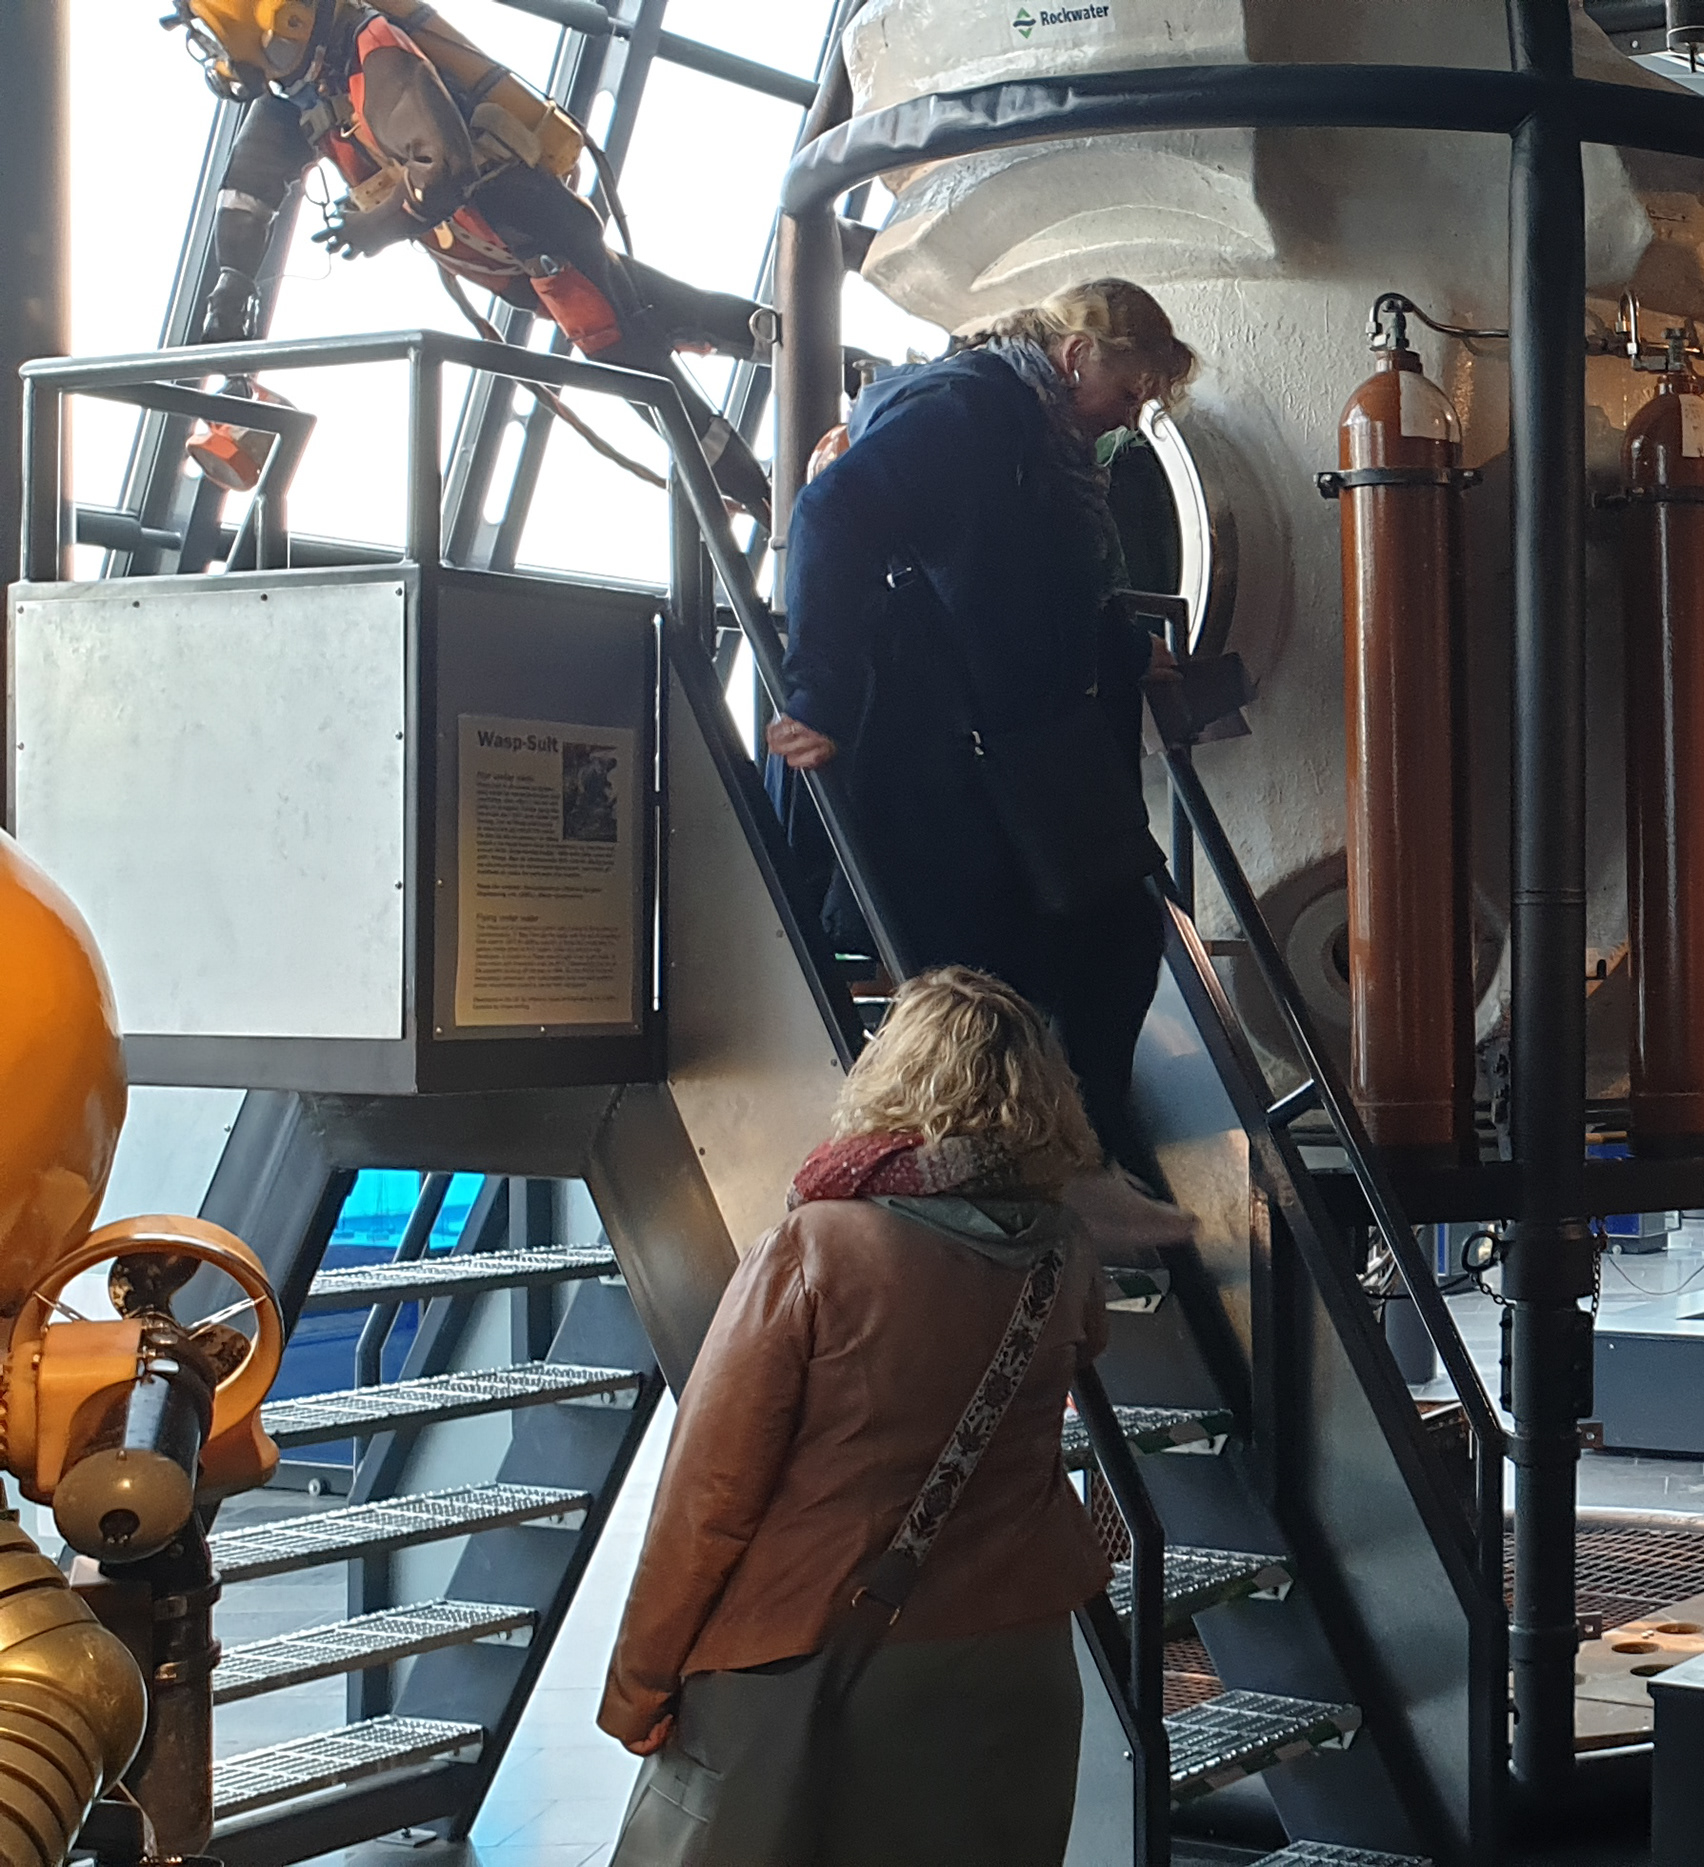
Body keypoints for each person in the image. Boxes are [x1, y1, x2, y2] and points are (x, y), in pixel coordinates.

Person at [602, 968, 1110, 1867]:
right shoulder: (1064, 1252)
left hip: (813, 1658)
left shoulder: (816, 1247)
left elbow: (708, 1495)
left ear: (895, 1076)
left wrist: (639, 1682)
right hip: (1016, 1655)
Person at [765, 279, 1199, 1161]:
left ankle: (1075, 1156)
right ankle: (1049, 1161)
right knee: (1042, 964)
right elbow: (831, 513)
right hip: (944, 759)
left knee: (1111, 939)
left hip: (1001, 751)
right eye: (1128, 393)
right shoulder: (968, 413)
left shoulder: (1023, 431)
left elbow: (1022, 590)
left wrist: (1120, 651)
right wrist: (822, 693)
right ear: (1076, 357)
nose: (1129, 417)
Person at [167, 0, 775, 509]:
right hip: (508, 260)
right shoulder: (299, 96)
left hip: (541, 239)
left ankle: (767, 497)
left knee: (643, 375)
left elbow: (445, 166)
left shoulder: (373, 50)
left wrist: (378, 226)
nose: (215, 52)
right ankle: (806, 359)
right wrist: (233, 277)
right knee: (670, 315)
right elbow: (247, 189)